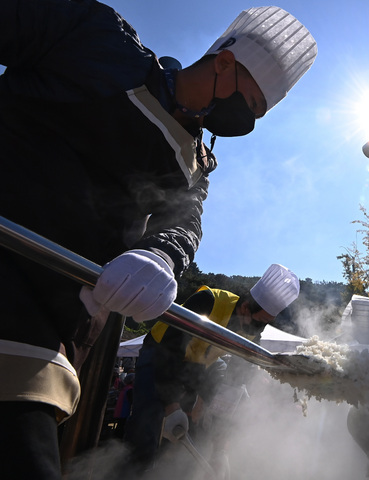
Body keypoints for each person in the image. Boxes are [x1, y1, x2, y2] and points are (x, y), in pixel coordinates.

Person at [0, 2, 317, 478]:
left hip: (55, 316)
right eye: (249, 105)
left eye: (257, 116)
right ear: (225, 62)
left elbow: (183, 222)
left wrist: (160, 255)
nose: (246, 123)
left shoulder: (194, 166)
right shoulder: (97, 37)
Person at [124, 264, 300, 476]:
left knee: (192, 433)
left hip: (197, 367)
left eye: (267, 323)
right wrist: (171, 405)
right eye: (261, 322)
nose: (260, 329)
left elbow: (234, 385)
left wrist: (220, 448)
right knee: (147, 428)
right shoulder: (209, 301)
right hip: (159, 353)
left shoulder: (251, 332)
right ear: (245, 307)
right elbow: (169, 351)